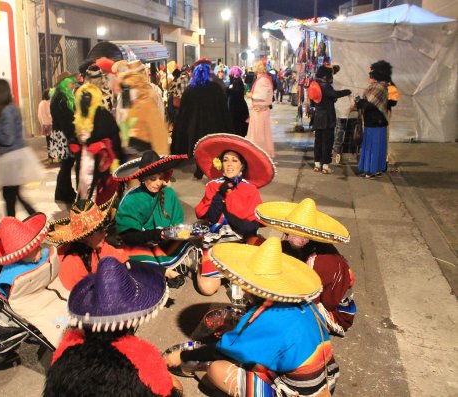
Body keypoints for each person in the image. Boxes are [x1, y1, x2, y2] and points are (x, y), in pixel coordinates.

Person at [164, 237, 339, 397]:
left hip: (300, 392)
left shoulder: (267, 316)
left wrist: (183, 356)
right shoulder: (301, 300)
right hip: (327, 377)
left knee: (216, 370)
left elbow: (219, 351)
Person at [44, 256, 182, 397]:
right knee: (176, 384)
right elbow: (167, 391)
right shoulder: (142, 356)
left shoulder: (67, 346)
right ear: (132, 320)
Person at [256, 198, 357, 337]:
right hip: (318, 294)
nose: (299, 238)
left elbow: (310, 306)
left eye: (304, 234)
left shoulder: (317, 262)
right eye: (294, 231)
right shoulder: (306, 247)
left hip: (336, 314)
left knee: (282, 317)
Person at [193, 133, 274, 295]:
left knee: (262, 282)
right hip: (216, 241)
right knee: (207, 289)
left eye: (234, 160)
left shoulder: (250, 189)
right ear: (220, 164)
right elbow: (211, 218)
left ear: (242, 166)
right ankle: (199, 262)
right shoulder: (212, 186)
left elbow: (251, 226)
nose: (229, 165)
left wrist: (230, 215)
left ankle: (232, 271)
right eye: (225, 160)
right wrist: (219, 196)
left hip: (242, 240)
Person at [113, 151, 197, 287]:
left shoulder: (168, 193)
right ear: (143, 178)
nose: (158, 183)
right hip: (141, 241)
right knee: (130, 256)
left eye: (161, 177)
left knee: (189, 241)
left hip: (165, 240)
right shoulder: (132, 199)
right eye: (153, 178)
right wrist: (158, 234)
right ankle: (163, 271)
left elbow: (177, 224)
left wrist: (181, 233)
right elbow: (128, 236)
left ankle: (160, 269)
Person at [0, 213, 68, 345]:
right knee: (56, 323)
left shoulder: (41, 253)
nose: (40, 249)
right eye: (34, 249)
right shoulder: (9, 276)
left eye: (38, 245)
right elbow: (13, 296)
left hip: (50, 289)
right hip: (33, 302)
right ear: (21, 254)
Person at [0, 79, 42, 217]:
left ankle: (24, 223)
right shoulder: (8, 108)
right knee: (13, 196)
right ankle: (32, 220)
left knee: (10, 196)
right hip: (12, 157)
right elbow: (5, 131)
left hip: (12, 158)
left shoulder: (7, 110)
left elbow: (8, 138)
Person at [48, 198, 127, 291]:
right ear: (86, 236)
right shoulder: (72, 264)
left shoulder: (97, 246)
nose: (106, 233)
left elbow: (119, 256)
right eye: (101, 231)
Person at [171, 59, 232, 171]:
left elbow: (184, 111)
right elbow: (223, 109)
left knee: (198, 146)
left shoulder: (190, 90)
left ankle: (200, 167)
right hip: (213, 124)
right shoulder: (216, 88)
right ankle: (211, 166)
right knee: (211, 147)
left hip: (194, 126)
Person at [71, 83, 122, 204]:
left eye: (88, 97)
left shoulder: (102, 114)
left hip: (100, 163)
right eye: (82, 98)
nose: (85, 101)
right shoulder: (78, 115)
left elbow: (114, 136)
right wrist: (74, 144)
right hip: (83, 160)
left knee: (100, 193)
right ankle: (86, 211)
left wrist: (102, 145)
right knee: (83, 186)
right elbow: (74, 135)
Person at [115, 60, 169, 158]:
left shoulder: (125, 93)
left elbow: (121, 120)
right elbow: (159, 119)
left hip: (129, 148)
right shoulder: (152, 91)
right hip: (148, 147)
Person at [312, 65, 351, 175]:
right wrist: (346, 92)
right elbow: (334, 94)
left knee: (318, 141)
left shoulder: (315, 84)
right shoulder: (326, 86)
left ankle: (316, 164)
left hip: (318, 116)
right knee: (327, 142)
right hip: (327, 118)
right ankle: (325, 166)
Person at [355, 61, 389, 179]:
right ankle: (377, 169)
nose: (369, 79)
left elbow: (369, 105)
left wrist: (359, 102)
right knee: (378, 146)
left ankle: (370, 171)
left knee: (371, 147)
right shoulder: (381, 86)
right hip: (379, 122)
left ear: (374, 78)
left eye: (370, 77)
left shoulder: (378, 88)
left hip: (374, 122)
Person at [50, 72, 79, 203]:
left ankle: (65, 191)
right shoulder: (61, 98)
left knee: (66, 165)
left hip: (61, 134)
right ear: (65, 83)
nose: (73, 84)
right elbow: (65, 121)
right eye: (71, 81)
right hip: (63, 136)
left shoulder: (60, 96)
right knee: (66, 165)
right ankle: (62, 193)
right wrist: (72, 137)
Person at [246, 61, 275, 159]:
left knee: (259, 135)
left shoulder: (263, 80)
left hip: (260, 112)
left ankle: (259, 154)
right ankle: (258, 153)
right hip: (258, 111)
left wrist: (250, 95)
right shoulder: (262, 79)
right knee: (258, 134)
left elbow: (261, 96)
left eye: (255, 66)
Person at [226, 66, 249, 137]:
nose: (230, 76)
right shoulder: (236, 81)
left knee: (238, 125)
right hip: (237, 106)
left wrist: (228, 90)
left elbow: (237, 93)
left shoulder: (238, 82)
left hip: (238, 107)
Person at [37, 89, 53, 164]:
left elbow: (39, 115)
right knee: (54, 141)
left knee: (48, 142)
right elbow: (50, 114)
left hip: (44, 125)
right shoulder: (48, 103)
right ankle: (56, 157)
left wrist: (42, 123)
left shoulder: (40, 103)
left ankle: (50, 158)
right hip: (50, 124)